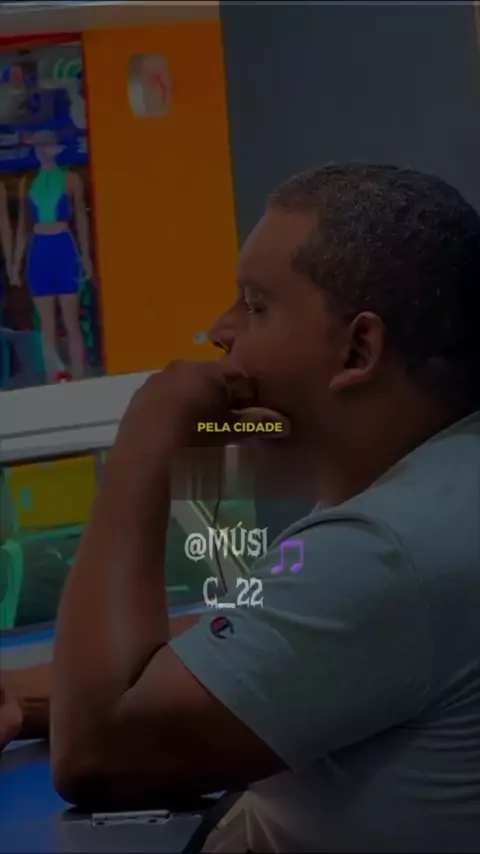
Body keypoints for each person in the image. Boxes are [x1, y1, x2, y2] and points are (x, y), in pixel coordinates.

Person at [2, 163, 480, 853]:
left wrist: (146, 443)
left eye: (255, 305)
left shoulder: (389, 546)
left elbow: (98, 752)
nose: (218, 331)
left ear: (359, 349)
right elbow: (260, 626)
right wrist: (22, 696)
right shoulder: (436, 487)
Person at [10, 129, 93, 381]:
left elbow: (81, 219)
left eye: (46, 145)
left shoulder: (71, 179)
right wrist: (16, 263)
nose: (42, 150)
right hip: (39, 253)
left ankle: (79, 377)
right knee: (46, 324)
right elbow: (23, 227)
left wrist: (86, 256)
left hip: (65, 250)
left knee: (71, 320)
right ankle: (52, 377)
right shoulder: (27, 182)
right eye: (38, 146)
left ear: (56, 148)